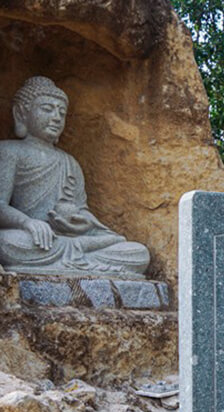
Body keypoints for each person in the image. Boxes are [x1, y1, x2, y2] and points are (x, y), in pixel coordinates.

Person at [0, 76, 149, 276]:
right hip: (32, 240)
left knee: (137, 253)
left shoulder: (70, 162)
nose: (56, 117)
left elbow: (81, 209)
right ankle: (82, 264)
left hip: (69, 239)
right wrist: (28, 223)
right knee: (6, 243)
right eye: (47, 109)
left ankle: (72, 261)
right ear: (22, 113)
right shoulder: (9, 151)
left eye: (62, 113)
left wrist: (83, 222)